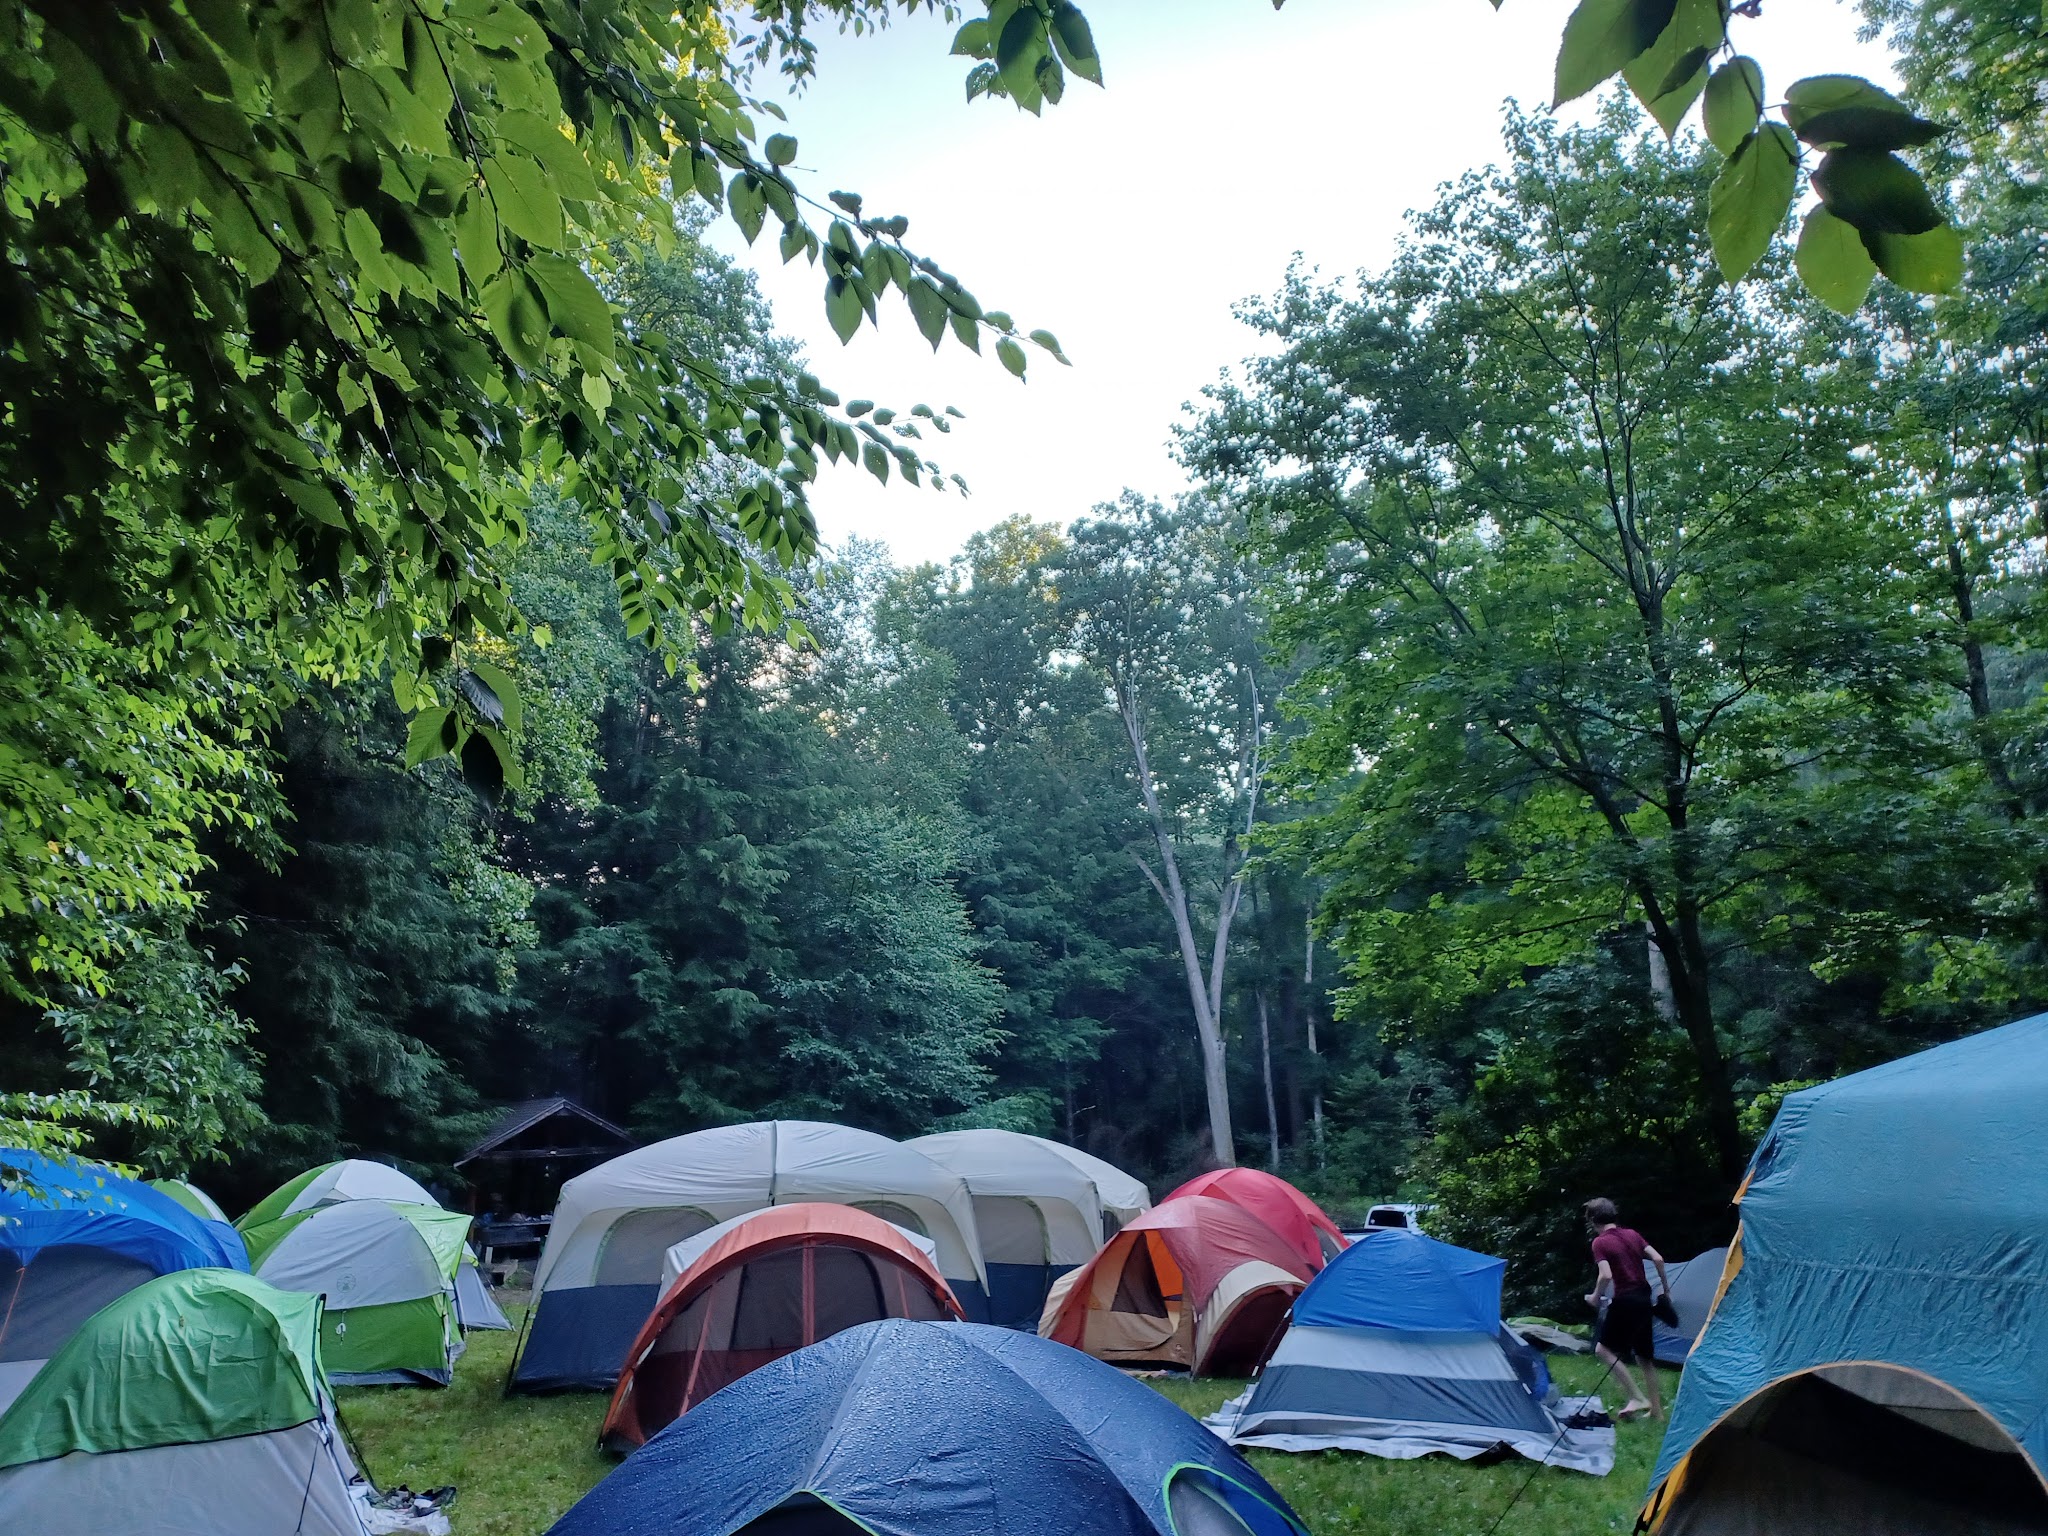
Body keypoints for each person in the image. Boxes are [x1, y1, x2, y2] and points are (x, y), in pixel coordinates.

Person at [1582, 1196, 1669, 1421]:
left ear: (1593, 1219)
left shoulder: (1600, 1242)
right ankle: (1657, 1412)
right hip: (1644, 1297)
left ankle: (1637, 1397)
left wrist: (1595, 1296)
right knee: (1644, 1357)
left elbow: (1606, 1275)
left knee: (1602, 1350)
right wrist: (1665, 1290)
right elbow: (1658, 1259)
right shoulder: (1632, 1234)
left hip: (1625, 1299)